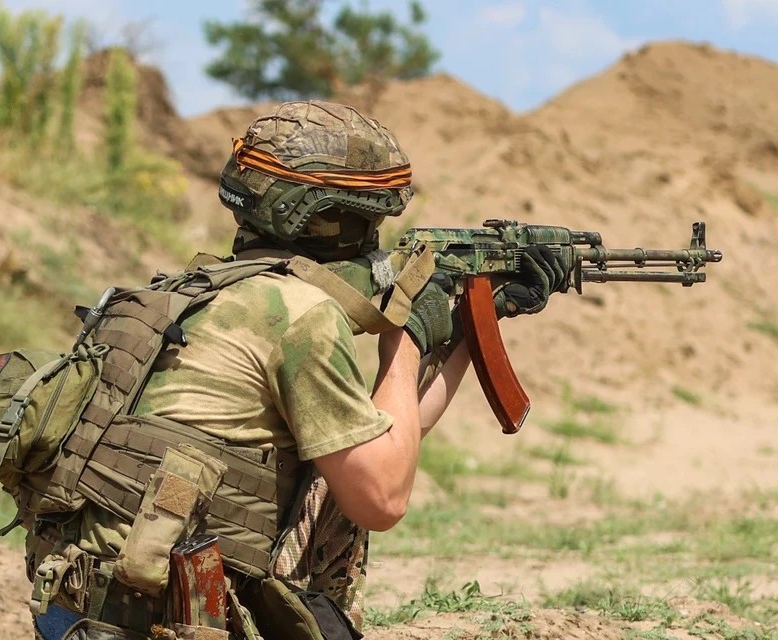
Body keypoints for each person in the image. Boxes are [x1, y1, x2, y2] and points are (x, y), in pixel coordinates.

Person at [30, 100, 568, 640]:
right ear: (326, 217)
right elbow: (381, 498)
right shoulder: (300, 314)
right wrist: (403, 342)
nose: (375, 240)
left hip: (74, 613)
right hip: (166, 624)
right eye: (370, 221)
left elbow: (378, 445)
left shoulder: (180, 296)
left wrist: (470, 327)